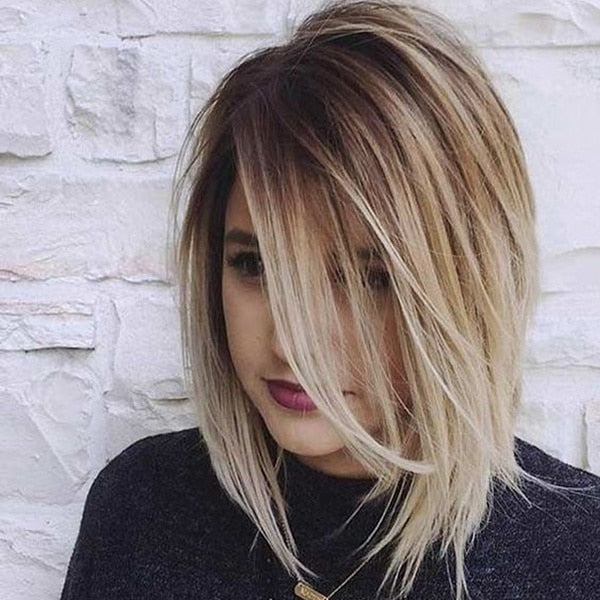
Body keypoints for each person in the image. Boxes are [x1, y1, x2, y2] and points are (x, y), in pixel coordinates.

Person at [59, 1, 600, 599]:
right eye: (256, 266)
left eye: (368, 278)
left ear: (467, 280)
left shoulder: (578, 554)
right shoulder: (143, 509)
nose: (292, 344)